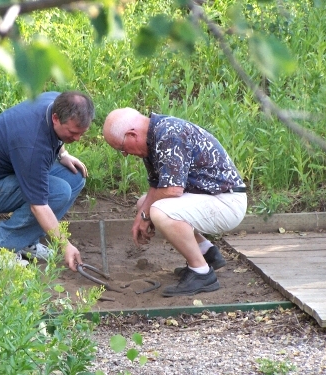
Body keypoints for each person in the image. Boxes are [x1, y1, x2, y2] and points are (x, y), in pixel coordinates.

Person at [103, 108, 247, 296]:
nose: (124, 154)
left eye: (121, 148)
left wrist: (146, 216)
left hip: (227, 202)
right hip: (211, 197)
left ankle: (201, 273)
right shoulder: (153, 137)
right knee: (144, 204)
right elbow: (157, 186)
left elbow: (172, 190)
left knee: (159, 212)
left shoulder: (170, 135)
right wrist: (141, 216)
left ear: (132, 134)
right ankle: (206, 252)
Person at [0, 91, 95, 271]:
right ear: (55, 118)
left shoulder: (55, 101)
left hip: (10, 171)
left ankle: (25, 241)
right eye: (72, 132)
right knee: (58, 191)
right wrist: (65, 245)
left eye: (81, 133)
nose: (77, 139)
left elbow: (54, 137)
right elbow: (38, 205)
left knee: (74, 177)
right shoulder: (32, 145)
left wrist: (63, 154)